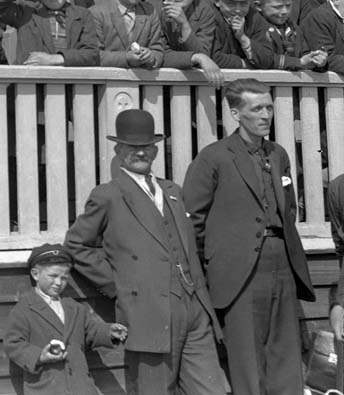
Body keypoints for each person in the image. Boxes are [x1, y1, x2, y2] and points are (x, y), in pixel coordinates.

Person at [65, 109, 224, 395]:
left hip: (194, 307)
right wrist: (120, 286)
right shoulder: (108, 195)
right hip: (148, 309)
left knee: (210, 388)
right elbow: (76, 245)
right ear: (118, 150)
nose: (140, 153)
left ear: (155, 149)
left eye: (146, 147)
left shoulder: (172, 190)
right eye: (132, 147)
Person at [182, 78, 315, 395]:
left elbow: (289, 208)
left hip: (281, 260)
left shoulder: (279, 153)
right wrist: (214, 263)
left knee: (285, 354)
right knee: (247, 361)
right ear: (234, 113)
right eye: (256, 108)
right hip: (238, 269)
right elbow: (192, 220)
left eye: (269, 107)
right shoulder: (214, 157)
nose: (266, 114)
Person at [3, 243, 127, 395]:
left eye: (64, 278)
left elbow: (90, 331)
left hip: (81, 387)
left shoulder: (73, 307)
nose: (58, 283)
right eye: (53, 276)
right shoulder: (24, 309)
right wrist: (40, 356)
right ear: (35, 274)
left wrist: (109, 332)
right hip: (47, 387)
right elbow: (13, 344)